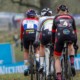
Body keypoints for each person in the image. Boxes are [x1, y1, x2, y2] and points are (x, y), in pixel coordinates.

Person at [52, 5, 78, 80]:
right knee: (71, 46)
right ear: (67, 11)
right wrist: (75, 43)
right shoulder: (71, 17)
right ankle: (72, 63)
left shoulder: (56, 18)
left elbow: (53, 33)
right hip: (71, 36)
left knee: (56, 57)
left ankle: (59, 77)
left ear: (58, 11)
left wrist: (53, 43)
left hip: (60, 37)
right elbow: (75, 32)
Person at [20, 9, 39, 76]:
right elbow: (39, 31)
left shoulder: (24, 21)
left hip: (26, 35)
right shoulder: (37, 21)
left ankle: (25, 68)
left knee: (26, 51)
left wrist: (21, 40)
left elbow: (21, 32)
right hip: (34, 35)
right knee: (37, 49)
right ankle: (37, 60)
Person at [36, 8, 54, 76]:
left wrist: (36, 40)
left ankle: (41, 65)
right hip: (54, 34)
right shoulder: (55, 17)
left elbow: (38, 31)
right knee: (55, 49)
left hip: (46, 34)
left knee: (42, 45)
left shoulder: (41, 19)